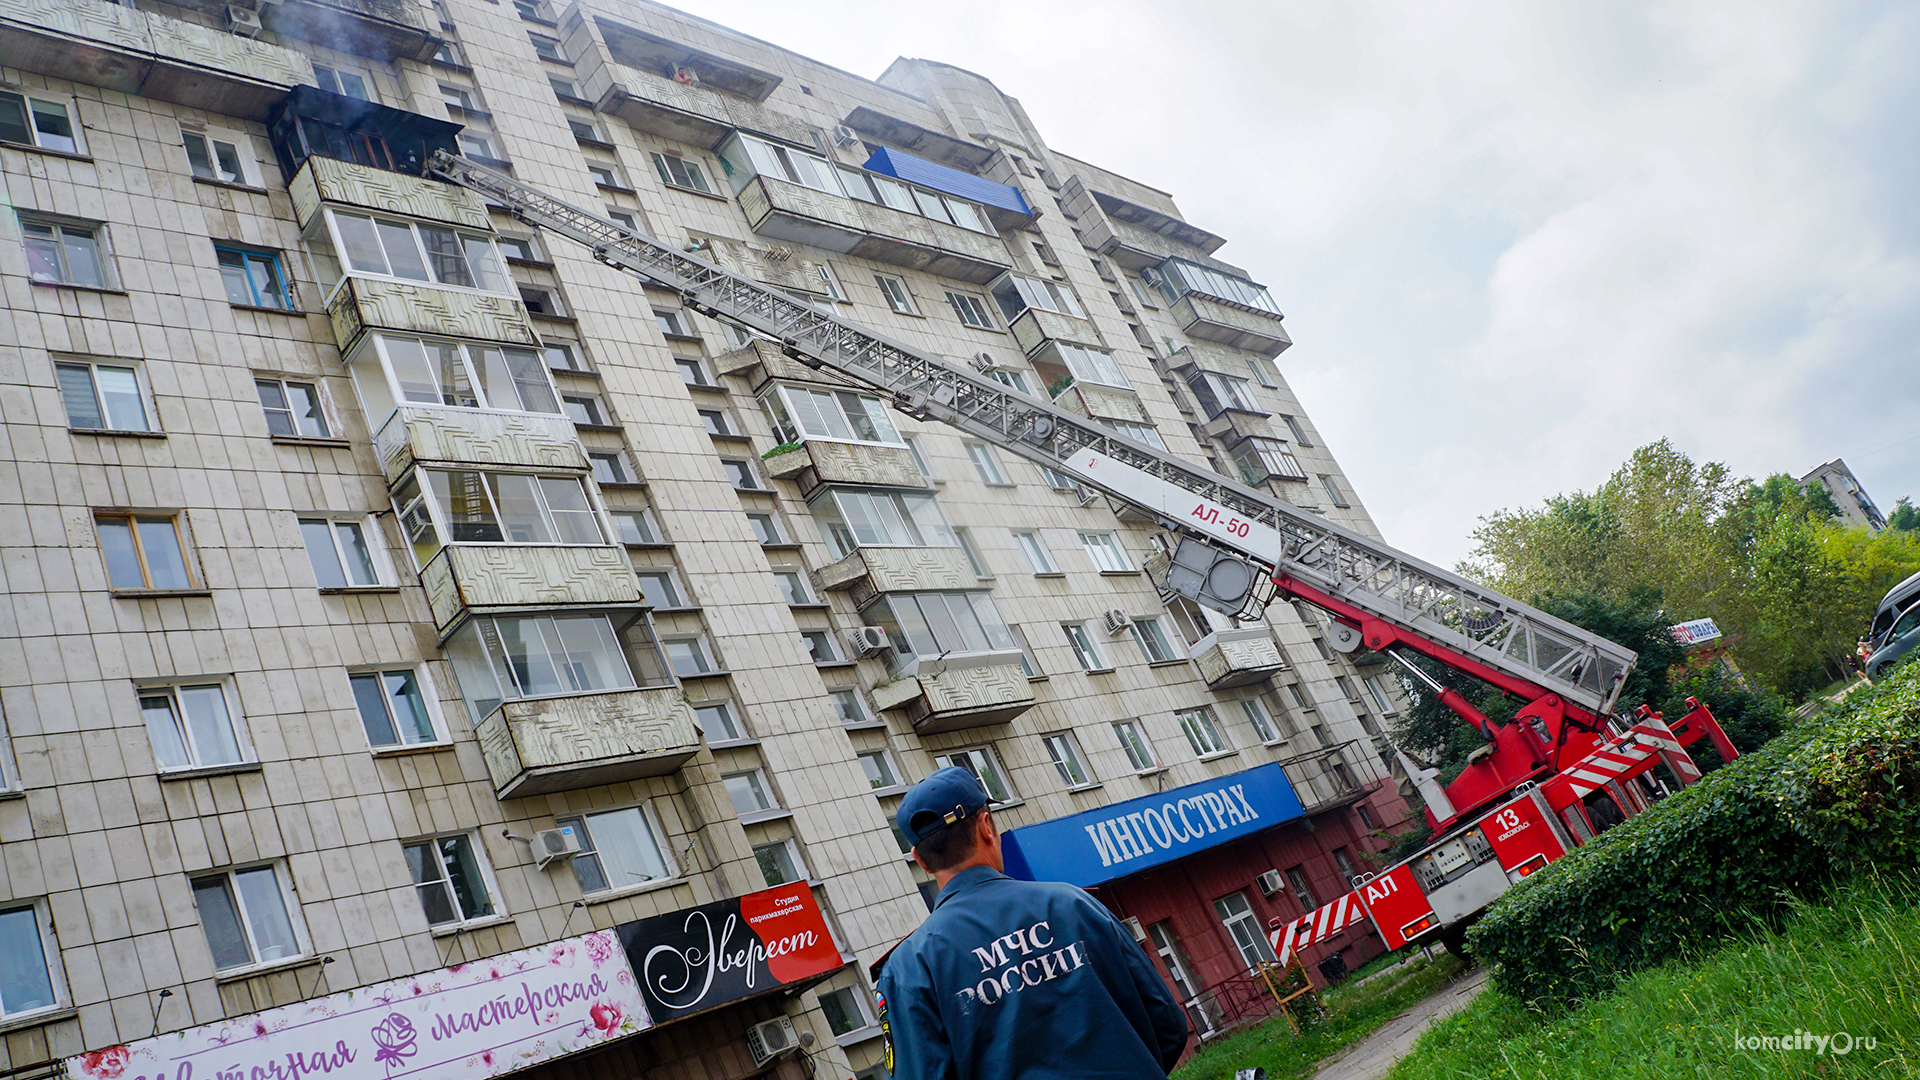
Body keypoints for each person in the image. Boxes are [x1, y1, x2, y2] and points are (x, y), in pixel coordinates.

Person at [875, 767, 1189, 1080]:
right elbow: (1168, 1027)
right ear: (987, 827)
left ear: (921, 860)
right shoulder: (1073, 905)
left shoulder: (909, 967)